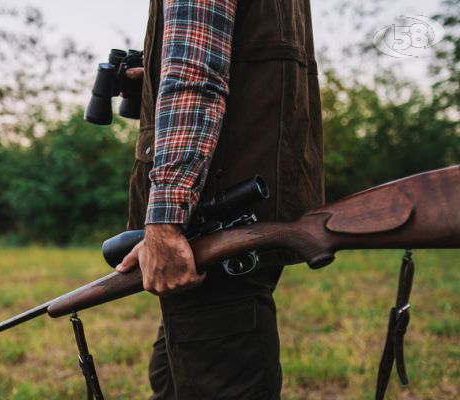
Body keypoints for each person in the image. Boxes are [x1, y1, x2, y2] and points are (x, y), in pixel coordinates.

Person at [116, 0, 324, 398]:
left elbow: (194, 75)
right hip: (245, 213)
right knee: (176, 380)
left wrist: (164, 219)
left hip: (209, 219)